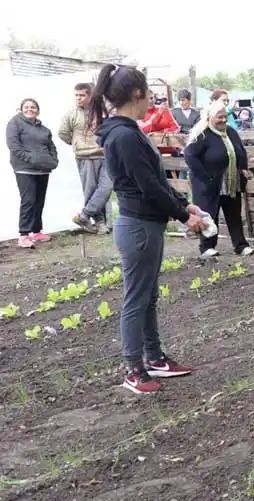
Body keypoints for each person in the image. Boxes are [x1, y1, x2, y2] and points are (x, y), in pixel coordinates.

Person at [89, 63, 205, 394]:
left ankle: (154, 359)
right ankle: (133, 369)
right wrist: (185, 218)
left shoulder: (128, 130)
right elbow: (148, 189)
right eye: (150, 96)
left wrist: (185, 206)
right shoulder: (124, 136)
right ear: (137, 94)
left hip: (146, 225)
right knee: (136, 299)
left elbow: (155, 181)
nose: (152, 102)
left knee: (148, 295)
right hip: (138, 227)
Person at [184, 101, 254, 257]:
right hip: (210, 182)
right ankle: (207, 247)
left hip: (230, 181)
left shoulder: (231, 132)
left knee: (234, 214)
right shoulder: (202, 134)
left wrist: (244, 168)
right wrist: (205, 177)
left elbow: (240, 151)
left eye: (225, 116)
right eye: (219, 117)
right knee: (210, 213)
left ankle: (240, 245)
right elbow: (190, 156)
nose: (223, 120)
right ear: (210, 117)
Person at [60, 83, 114, 235]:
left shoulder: (101, 112)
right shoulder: (71, 114)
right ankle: (100, 224)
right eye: (76, 95)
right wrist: (77, 143)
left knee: (106, 187)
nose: (78, 98)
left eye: (82, 95)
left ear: (90, 96)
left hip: (104, 153)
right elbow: (63, 133)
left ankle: (84, 215)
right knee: (90, 190)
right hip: (85, 156)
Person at [5, 98, 58, 249]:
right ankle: (24, 234)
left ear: (38, 110)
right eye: (26, 107)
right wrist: (30, 159)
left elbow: (51, 146)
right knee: (28, 200)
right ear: (21, 109)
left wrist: (53, 161)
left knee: (39, 200)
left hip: (42, 169)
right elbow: (13, 145)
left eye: (33, 107)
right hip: (24, 169)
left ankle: (36, 231)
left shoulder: (43, 128)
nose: (30, 109)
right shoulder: (14, 123)